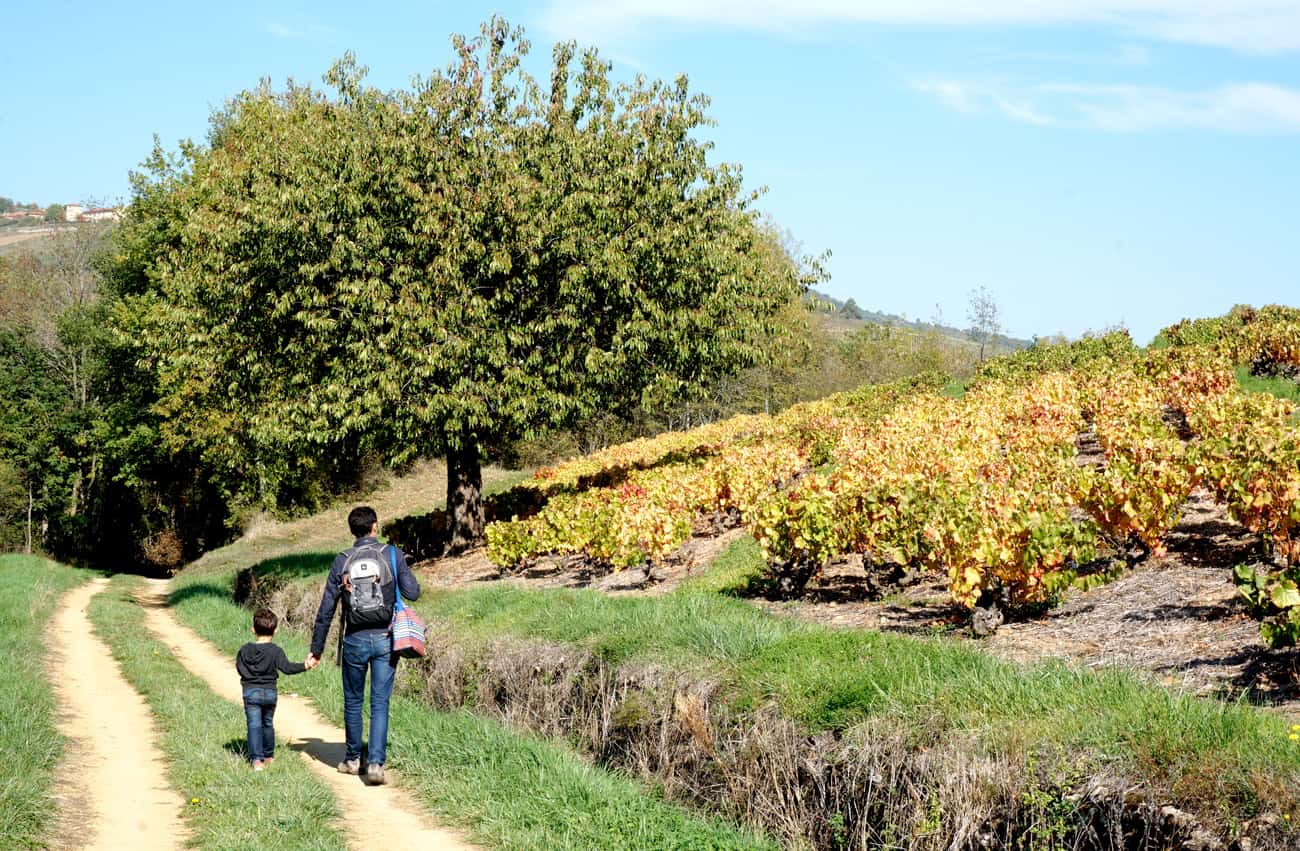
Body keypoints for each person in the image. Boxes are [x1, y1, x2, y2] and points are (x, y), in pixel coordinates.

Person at [308, 505, 420, 786]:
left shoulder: (343, 560)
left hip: (353, 640)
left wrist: (317, 648)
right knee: (380, 703)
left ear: (352, 530)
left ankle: (352, 759)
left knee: (353, 701)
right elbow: (413, 593)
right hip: (385, 638)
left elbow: (326, 609)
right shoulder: (391, 554)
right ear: (375, 526)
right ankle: (376, 765)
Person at [236, 608, 317, 771]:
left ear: (253, 630)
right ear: (275, 630)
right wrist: (305, 665)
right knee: (267, 723)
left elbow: (240, 668)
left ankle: (256, 760)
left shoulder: (244, 650)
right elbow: (287, 668)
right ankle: (268, 756)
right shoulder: (276, 651)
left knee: (253, 725)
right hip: (270, 693)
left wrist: (250, 679)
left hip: (250, 692)